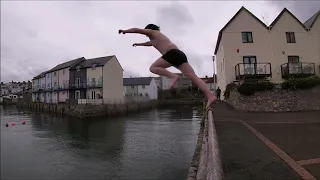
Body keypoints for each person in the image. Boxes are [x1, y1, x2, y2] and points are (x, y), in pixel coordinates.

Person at [118, 24, 216, 109]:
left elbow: (136, 30)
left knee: (152, 68)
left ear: (149, 29)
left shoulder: (152, 32)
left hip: (171, 53)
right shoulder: (157, 38)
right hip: (179, 55)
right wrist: (138, 44)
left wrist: (125, 31)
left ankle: (173, 76)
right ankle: (211, 96)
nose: (147, 37)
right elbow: (149, 44)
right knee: (194, 78)